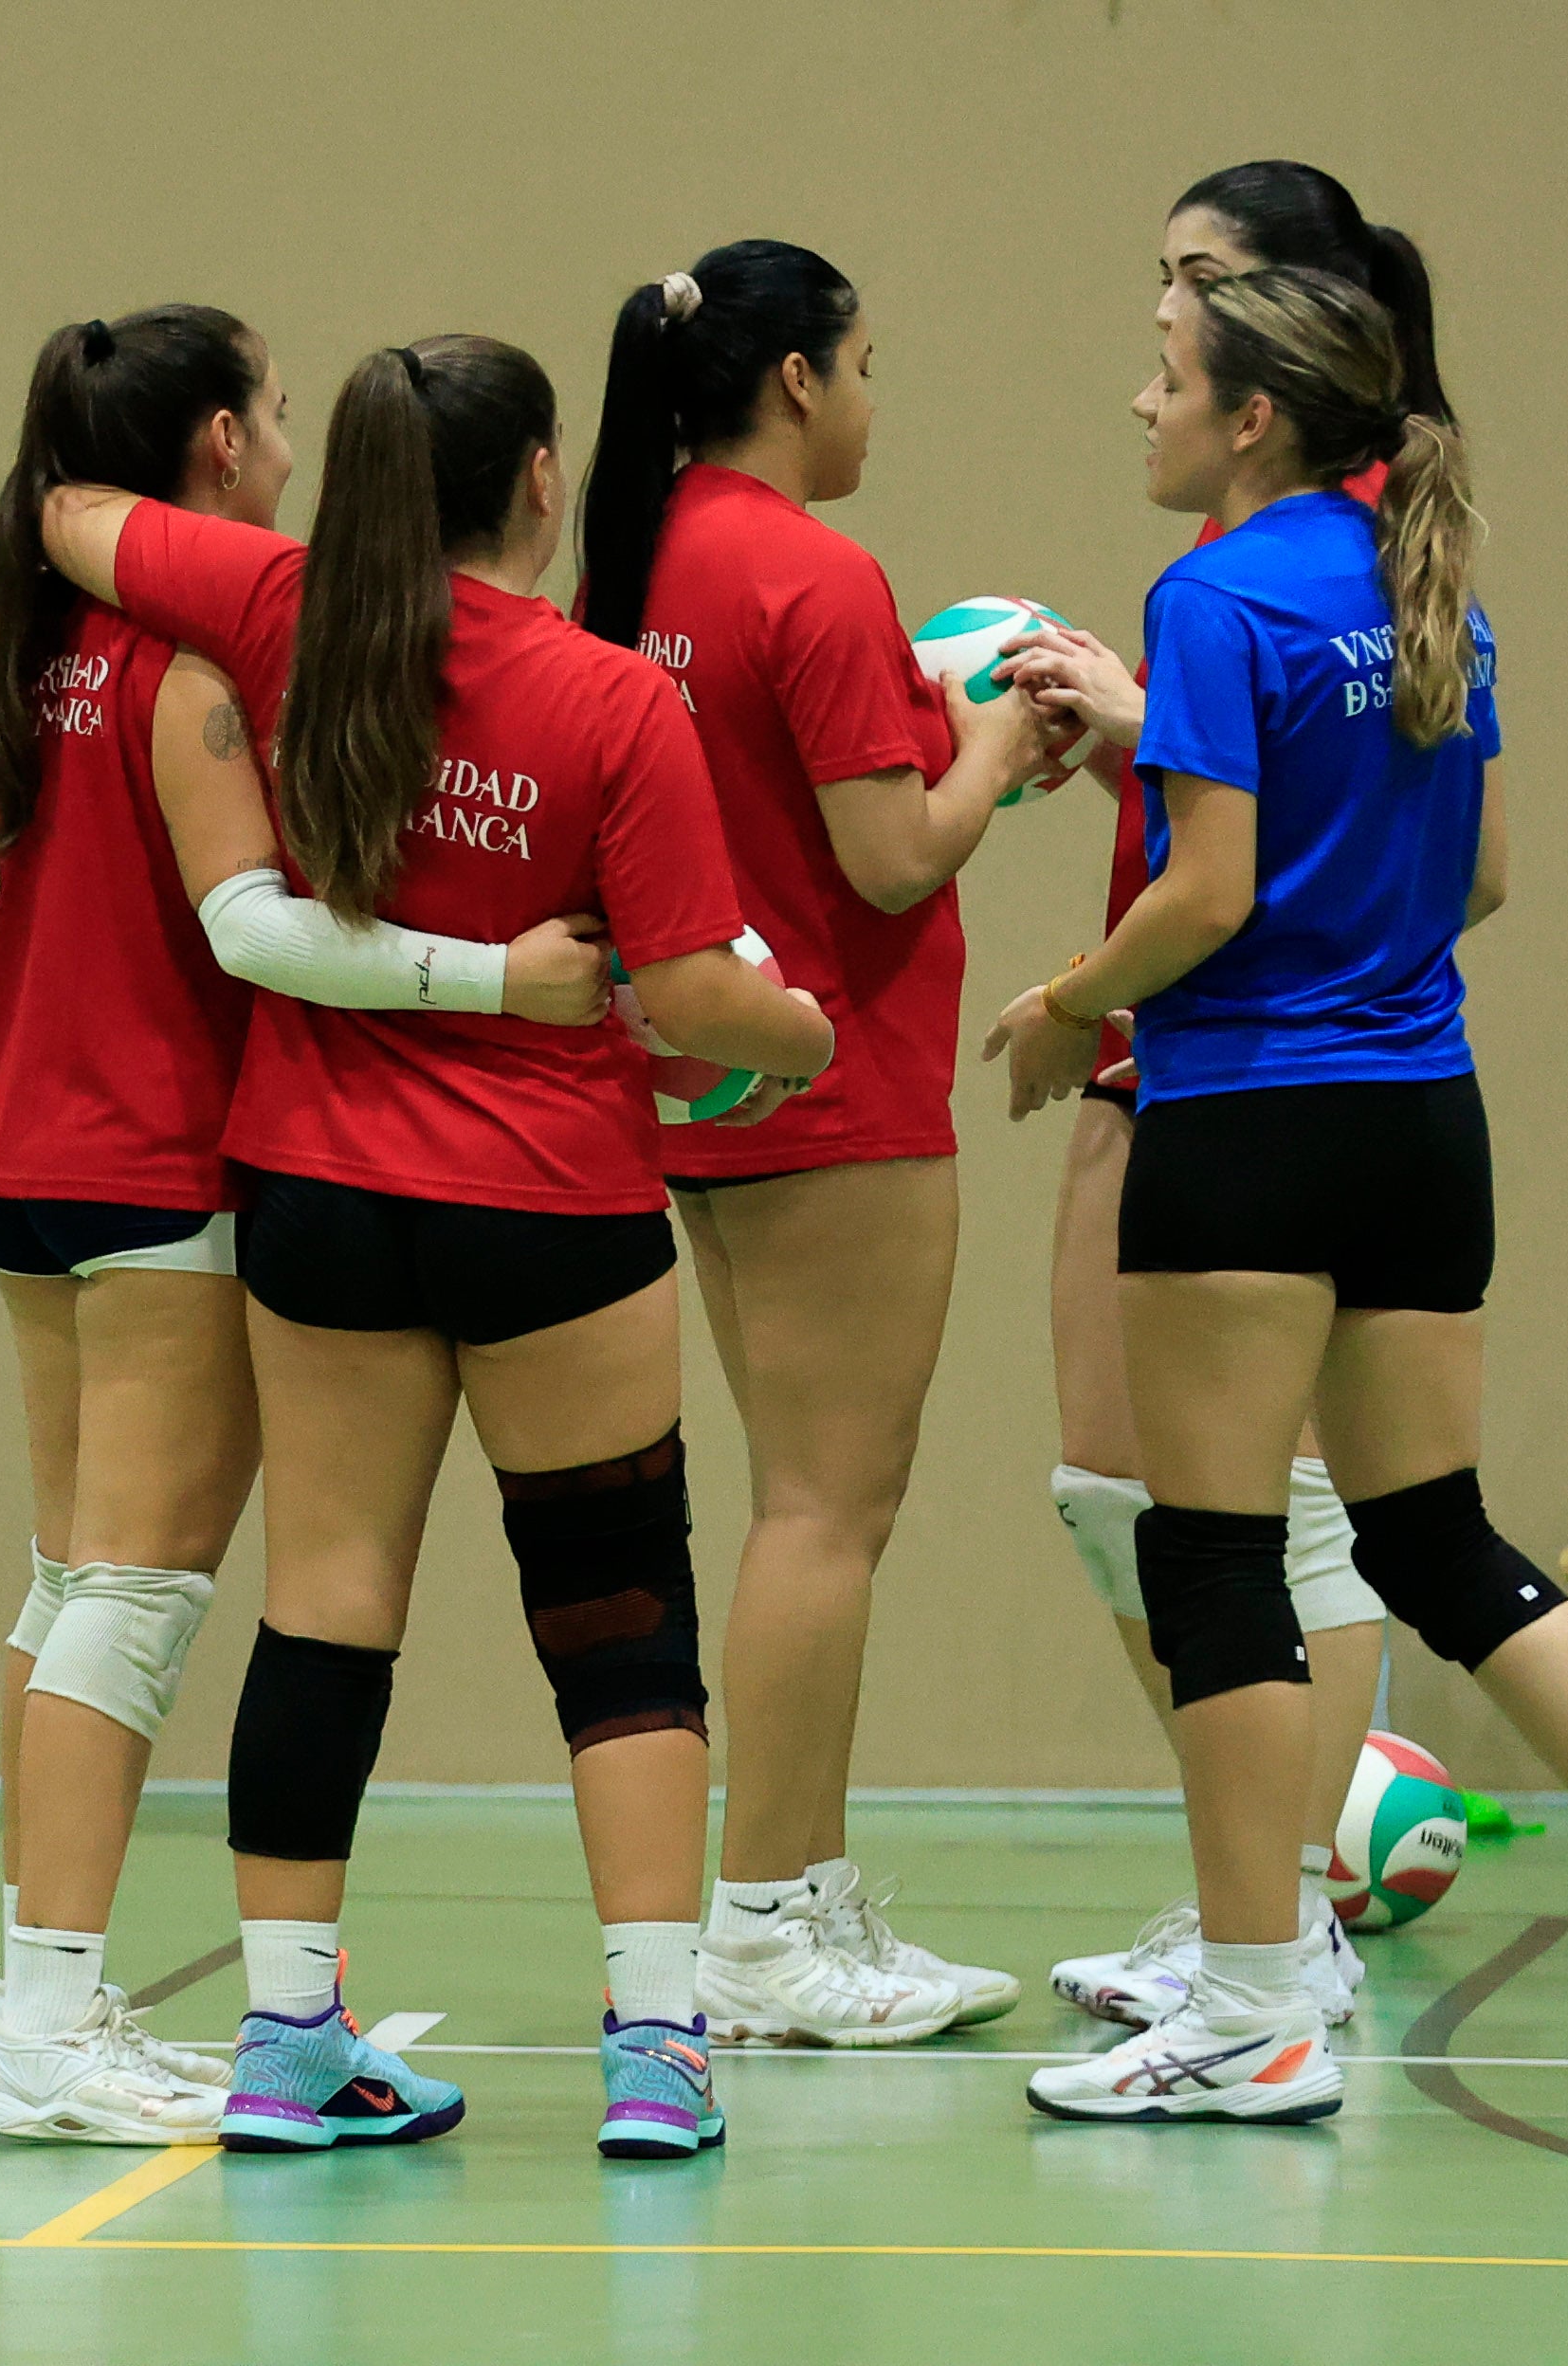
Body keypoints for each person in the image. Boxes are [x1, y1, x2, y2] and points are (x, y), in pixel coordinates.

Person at [983, 266, 1568, 2122]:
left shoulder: (1215, 594)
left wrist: (1064, 1009)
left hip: (1252, 1123)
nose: (1145, 404)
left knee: (1208, 1557)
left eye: (1170, 375)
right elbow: (1483, 879)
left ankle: (1261, 2007)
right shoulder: (1428, 594)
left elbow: (1202, 895)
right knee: (1435, 1542)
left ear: (1255, 418)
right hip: (1426, 1122)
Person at [44, 333, 835, 2157]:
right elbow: (701, 994)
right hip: (549, 1206)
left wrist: (105, 483)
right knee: (619, 1631)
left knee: (321, 1614)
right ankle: (652, 2048)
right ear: (540, 483)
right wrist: (802, 1036)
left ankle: (283, 2035)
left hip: (317, 1199)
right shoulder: (610, 700)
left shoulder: (270, 603)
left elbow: (75, 510)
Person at [0, 306, 611, 2142]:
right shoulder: (189, 664)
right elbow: (250, 928)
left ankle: (35, 1996)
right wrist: (501, 977)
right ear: (222, 452)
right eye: (279, 410)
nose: (296, 436)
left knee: (75, 1582)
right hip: (150, 1158)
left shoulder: (52, 643)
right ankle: (47, 2025)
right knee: (140, 1597)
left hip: (16, 1144)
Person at [575, 240, 1048, 2045]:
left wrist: (942, 727)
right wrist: (997, 739)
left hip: (713, 1089)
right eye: (862, 364)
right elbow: (892, 856)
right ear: (794, 381)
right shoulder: (810, 569)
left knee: (801, 1502)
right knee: (821, 1514)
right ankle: (763, 1923)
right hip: (832, 1091)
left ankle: (803, 1891)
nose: (867, 399)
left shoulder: (654, 554)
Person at [1008, 161, 1442, 2036]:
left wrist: (1083, 995)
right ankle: (1258, 1901)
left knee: (1283, 1522)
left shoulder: (1297, 559)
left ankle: (1282, 1923)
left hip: (1242, 1063)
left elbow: (1278, 871)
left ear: (1276, 350)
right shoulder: (1301, 562)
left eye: (1194, 295)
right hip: (1198, 1051)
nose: (1154, 347)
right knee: (1126, 1494)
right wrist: (1136, 739)